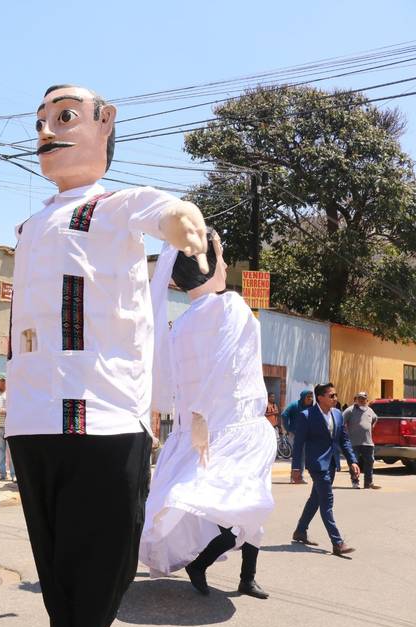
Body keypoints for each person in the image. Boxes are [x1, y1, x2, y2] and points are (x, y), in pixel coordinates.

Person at [5, 84, 208, 627]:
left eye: (65, 116)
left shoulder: (114, 205)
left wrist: (181, 218)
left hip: (102, 419)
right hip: (29, 419)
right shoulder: (28, 228)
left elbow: (163, 207)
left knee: (99, 566)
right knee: (55, 568)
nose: (48, 130)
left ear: (105, 123)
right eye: (41, 121)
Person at [141, 231, 277, 600]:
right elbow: (222, 363)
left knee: (242, 502)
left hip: (205, 427)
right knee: (246, 504)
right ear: (207, 264)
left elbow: (171, 383)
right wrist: (199, 415)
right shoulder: (230, 305)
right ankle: (211, 565)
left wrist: (192, 420)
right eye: (222, 255)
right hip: (232, 426)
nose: (228, 264)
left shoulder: (181, 323)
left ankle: (244, 574)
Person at [291, 383, 360, 556]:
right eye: (331, 395)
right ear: (320, 397)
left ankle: (300, 531)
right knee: (327, 501)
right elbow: (298, 444)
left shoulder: (337, 414)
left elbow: (344, 440)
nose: (335, 398)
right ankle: (337, 543)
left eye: (335, 395)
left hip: (331, 463)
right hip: (316, 464)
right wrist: (296, 468)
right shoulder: (306, 415)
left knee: (316, 499)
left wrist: (352, 461)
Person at [343, 392, 380, 490]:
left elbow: (375, 418)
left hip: (368, 442)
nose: (361, 400)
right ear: (356, 399)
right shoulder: (350, 410)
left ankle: (368, 483)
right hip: (354, 442)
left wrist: (371, 426)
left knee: (369, 462)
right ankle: (355, 482)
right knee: (354, 463)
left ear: (367, 400)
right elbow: (341, 421)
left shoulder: (370, 410)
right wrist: (345, 431)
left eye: (363, 399)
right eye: (359, 398)